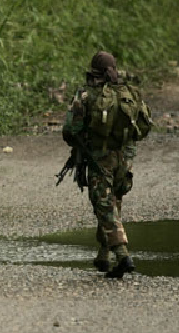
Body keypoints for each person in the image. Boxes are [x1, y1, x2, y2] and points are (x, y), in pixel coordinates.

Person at [62, 51, 152, 278]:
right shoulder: (128, 92)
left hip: (99, 157)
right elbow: (142, 124)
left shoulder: (86, 94)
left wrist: (83, 142)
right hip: (125, 156)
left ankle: (122, 254)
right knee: (113, 201)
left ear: (93, 70)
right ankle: (103, 254)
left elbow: (70, 130)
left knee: (103, 203)